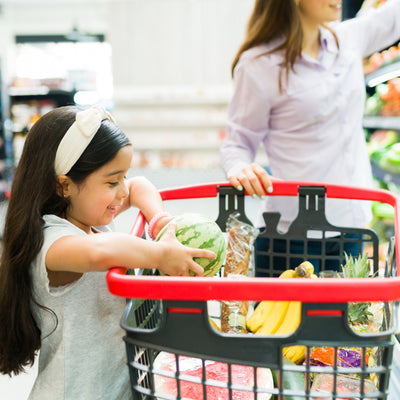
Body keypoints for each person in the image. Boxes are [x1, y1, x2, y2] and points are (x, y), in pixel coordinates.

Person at [0, 105, 216, 400]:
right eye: (113, 181)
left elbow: (140, 186)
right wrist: (159, 254)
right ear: (64, 186)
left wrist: (159, 221)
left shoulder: (90, 218)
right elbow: (100, 253)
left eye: (123, 177)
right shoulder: (52, 242)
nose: (123, 190)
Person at [220, 0, 400, 274]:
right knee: (287, 318)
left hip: (350, 226)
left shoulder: (347, 40)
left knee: (344, 317)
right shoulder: (260, 65)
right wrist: (241, 168)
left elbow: (392, 16)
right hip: (290, 234)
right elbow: (237, 143)